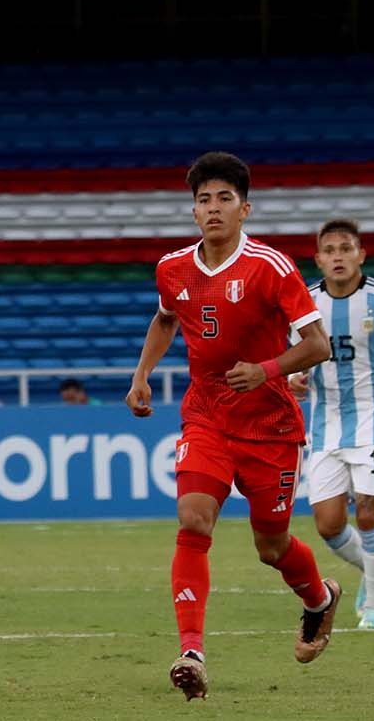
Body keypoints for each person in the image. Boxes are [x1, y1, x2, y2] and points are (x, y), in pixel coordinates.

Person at [126, 151, 336, 702]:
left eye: (224, 198)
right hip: (207, 416)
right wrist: (143, 373)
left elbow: (318, 345)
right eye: (203, 199)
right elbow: (167, 317)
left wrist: (265, 370)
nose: (213, 208)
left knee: (271, 545)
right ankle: (191, 652)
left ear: (245, 208)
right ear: (193, 211)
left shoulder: (271, 266)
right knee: (193, 521)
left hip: (269, 425)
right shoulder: (172, 269)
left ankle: (319, 600)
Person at [289, 219, 374, 629]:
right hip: (326, 424)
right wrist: (295, 376)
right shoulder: (305, 303)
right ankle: (372, 570)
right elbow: (294, 354)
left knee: (368, 515)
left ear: (361, 254)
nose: (338, 257)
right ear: (318, 260)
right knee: (328, 524)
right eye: (330, 251)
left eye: (346, 249)